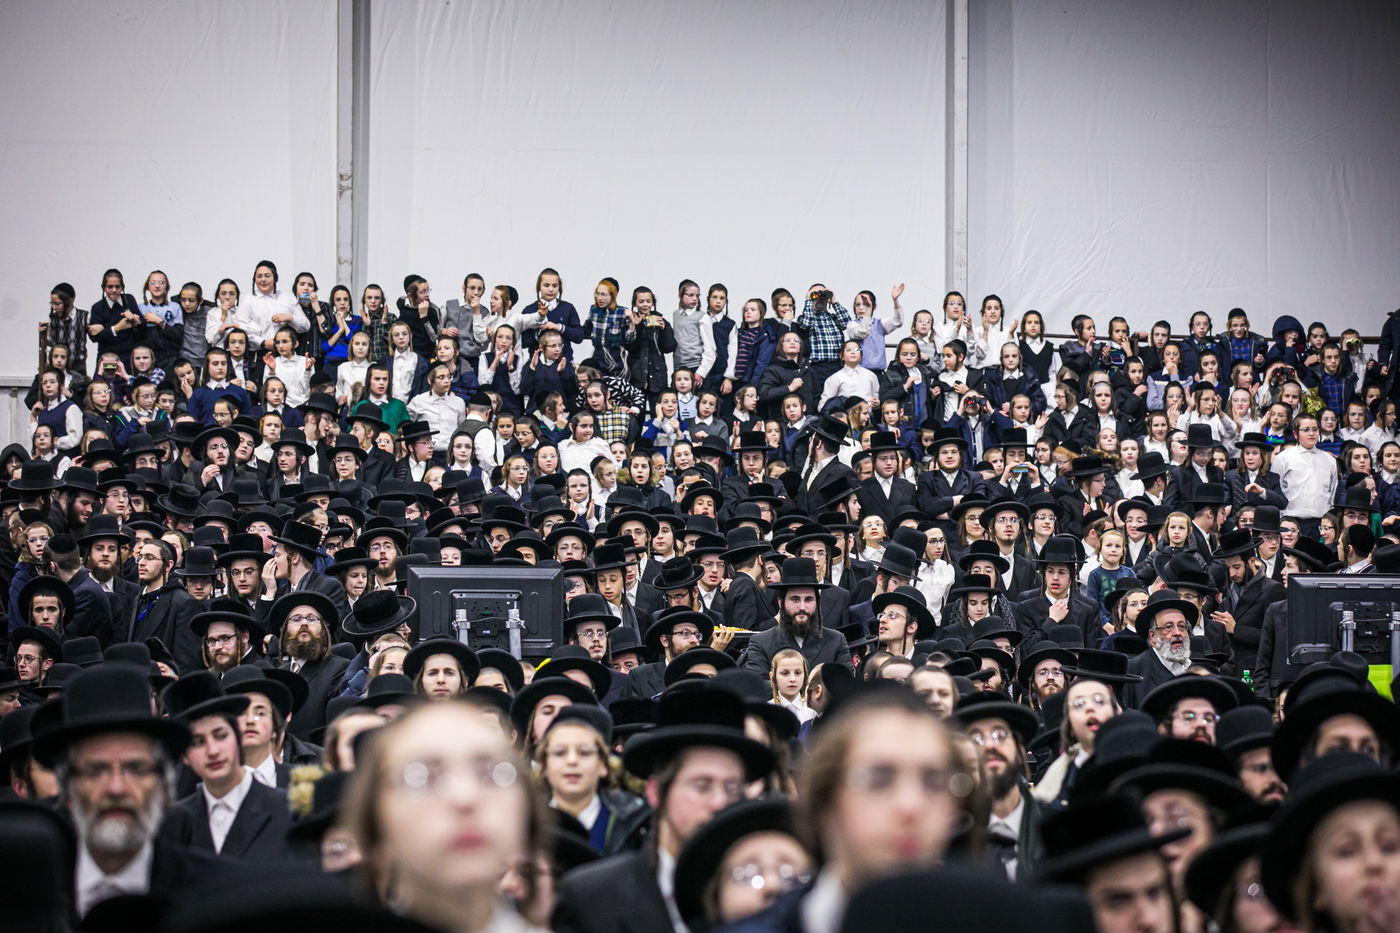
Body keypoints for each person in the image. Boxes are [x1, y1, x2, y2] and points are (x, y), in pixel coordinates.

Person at [552, 688, 774, 933]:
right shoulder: (593, 896)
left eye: (732, 789)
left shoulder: (767, 894)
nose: (719, 803)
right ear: (656, 792)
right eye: (702, 786)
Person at [32, 663, 230, 917]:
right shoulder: (22, 895)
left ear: (163, 787)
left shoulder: (216, 896)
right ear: (68, 789)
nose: (116, 788)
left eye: (136, 768)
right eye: (95, 770)